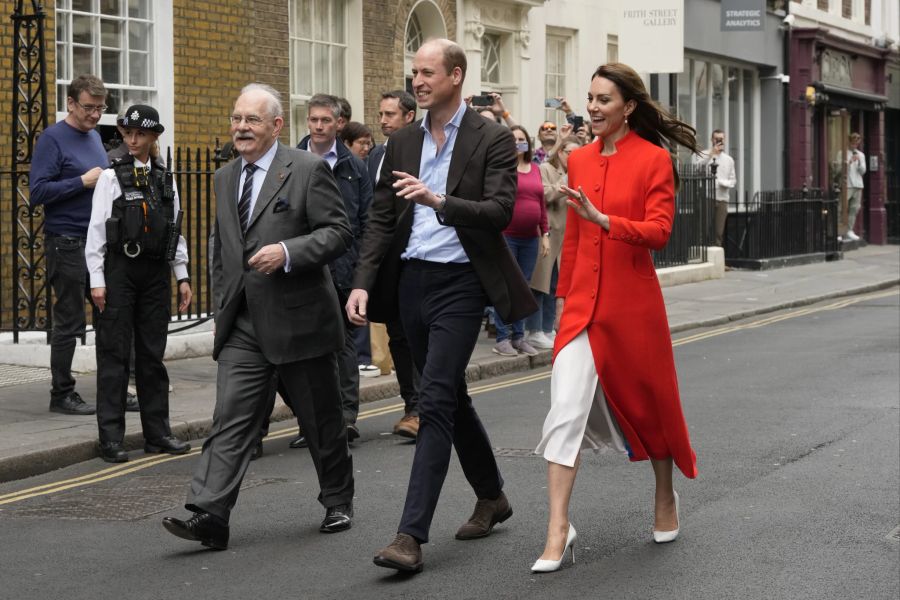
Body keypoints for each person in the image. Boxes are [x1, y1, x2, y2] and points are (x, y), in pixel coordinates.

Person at [346, 38, 537, 573]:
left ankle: (409, 536)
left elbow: (500, 211)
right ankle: (493, 496)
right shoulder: (402, 142)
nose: (418, 81)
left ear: (456, 75)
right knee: (451, 395)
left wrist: (438, 201)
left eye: (428, 72)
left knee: (431, 400)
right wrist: (362, 282)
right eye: (414, 73)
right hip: (411, 282)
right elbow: (382, 217)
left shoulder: (492, 138)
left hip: (461, 284)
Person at [162, 83, 355, 550]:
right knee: (230, 418)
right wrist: (223, 303)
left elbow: (339, 232)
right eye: (236, 119)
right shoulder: (225, 175)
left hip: (300, 321)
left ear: (275, 126)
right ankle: (210, 513)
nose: (240, 128)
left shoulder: (306, 170)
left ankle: (337, 499)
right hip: (244, 324)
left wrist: (289, 251)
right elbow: (221, 244)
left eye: (251, 120)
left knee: (320, 420)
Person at [531, 63, 699, 573]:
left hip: (633, 305)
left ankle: (664, 494)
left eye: (604, 99)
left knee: (651, 406)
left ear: (628, 107)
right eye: (590, 98)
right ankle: (559, 528)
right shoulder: (578, 160)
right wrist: (563, 302)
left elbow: (660, 232)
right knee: (564, 410)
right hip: (582, 306)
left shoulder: (654, 160)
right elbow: (574, 241)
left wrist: (607, 220)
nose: (594, 107)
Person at [85, 104, 192, 462]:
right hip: (119, 273)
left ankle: (157, 434)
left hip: (154, 275)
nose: (132, 140)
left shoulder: (165, 178)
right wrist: (97, 281)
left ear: (153, 137)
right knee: (114, 356)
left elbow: (174, 232)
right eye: (128, 133)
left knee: (151, 356)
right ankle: (111, 438)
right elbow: (96, 232)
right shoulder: (110, 177)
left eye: (140, 134)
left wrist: (183, 276)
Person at [29, 74, 110, 416]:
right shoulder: (53, 139)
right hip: (66, 240)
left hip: (98, 242)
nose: (95, 115)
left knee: (111, 314)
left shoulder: (94, 138)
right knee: (70, 318)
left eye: (101, 108)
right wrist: (82, 181)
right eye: (89, 108)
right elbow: (38, 193)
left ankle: (116, 386)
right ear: (71, 104)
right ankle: (61, 393)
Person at [296, 93, 373, 445]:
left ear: (338, 123)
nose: (319, 126)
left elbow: (367, 219)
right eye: (314, 120)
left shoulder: (354, 167)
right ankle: (310, 422)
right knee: (305, 348)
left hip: (342, 266)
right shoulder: (291, 159)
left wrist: (360, 270)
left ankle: (345, 418)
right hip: (302, 266)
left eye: (325, 120)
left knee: (343, 346)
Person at [368, 89, 420, 438]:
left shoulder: (419, 152)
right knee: (397, 336)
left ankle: (422, 407)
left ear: (409, 117)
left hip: (415, 258)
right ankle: (412, 404)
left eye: (391, 114)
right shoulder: (375, 156)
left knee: (417, 335)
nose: (384, 120)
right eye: (382, 114)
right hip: (384, 262)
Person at [492, 125, 548, 358]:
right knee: (506, 286)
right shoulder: (502, 169)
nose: (518, 143)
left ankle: (518, 336)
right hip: (507, 236)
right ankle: (502, 337)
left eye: (522, 139)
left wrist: (544, 233)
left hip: (530, 239)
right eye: (513, 139)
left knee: (523, 287)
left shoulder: (535, 169)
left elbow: (542, 203)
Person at [526, 135, 580, 350]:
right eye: (570, 153)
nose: (573, 158)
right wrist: (564, 181)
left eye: (577, 154)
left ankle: (548, 329)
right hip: (548, 234)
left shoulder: (580, 173)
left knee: (557, 287)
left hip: (567, 236)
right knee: (540, 284)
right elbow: (545, 195)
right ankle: (534, 330)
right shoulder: (546, 169)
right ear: (561, 153)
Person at [693, 129, 736, 247]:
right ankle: (701, 256)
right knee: (703, 229)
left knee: (719, 232)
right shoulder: (704, 154)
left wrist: (723, 183)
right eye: (717, 139)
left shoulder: (729, 160)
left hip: (723, 198)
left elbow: (733, 180)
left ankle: (717, 258)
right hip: (707, 196)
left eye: (721, 139)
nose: (719, 141)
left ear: (724, 140)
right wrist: (711, 154)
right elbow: (697, 168)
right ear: (712, 140)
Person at [842, 132, 866, 241]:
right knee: (842, 208)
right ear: (849, 142)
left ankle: (850, 230)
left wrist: (860, 161)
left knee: (854, 208)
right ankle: (840, 230)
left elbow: (863, 171)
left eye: (857, 143)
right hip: (848, 184)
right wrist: (850, 161)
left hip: (858, 184)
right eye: (853, 142)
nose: (854, 145)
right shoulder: (843, 153)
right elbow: (840, 169)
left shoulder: (861, 155)